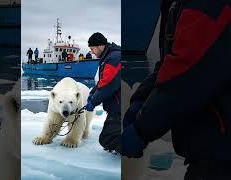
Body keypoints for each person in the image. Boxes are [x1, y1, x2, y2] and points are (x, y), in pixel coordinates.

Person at [121, 0, 231, 179]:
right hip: (212, 146)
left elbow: (189, 72)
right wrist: (141, 99)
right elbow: (170, 63)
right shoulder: (176, 3)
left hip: (221, 150)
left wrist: (143, 128)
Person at [86, 32, 121, 152]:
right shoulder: (108, 58)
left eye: (92, 48)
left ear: (100, 46)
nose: (92, 52)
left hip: (120, 109)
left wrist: (93, 101)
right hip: (116, 107)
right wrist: (91, 95)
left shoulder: (113, 58)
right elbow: (102, 82)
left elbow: (107, 85)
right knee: (108, 138)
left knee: (107, 139)